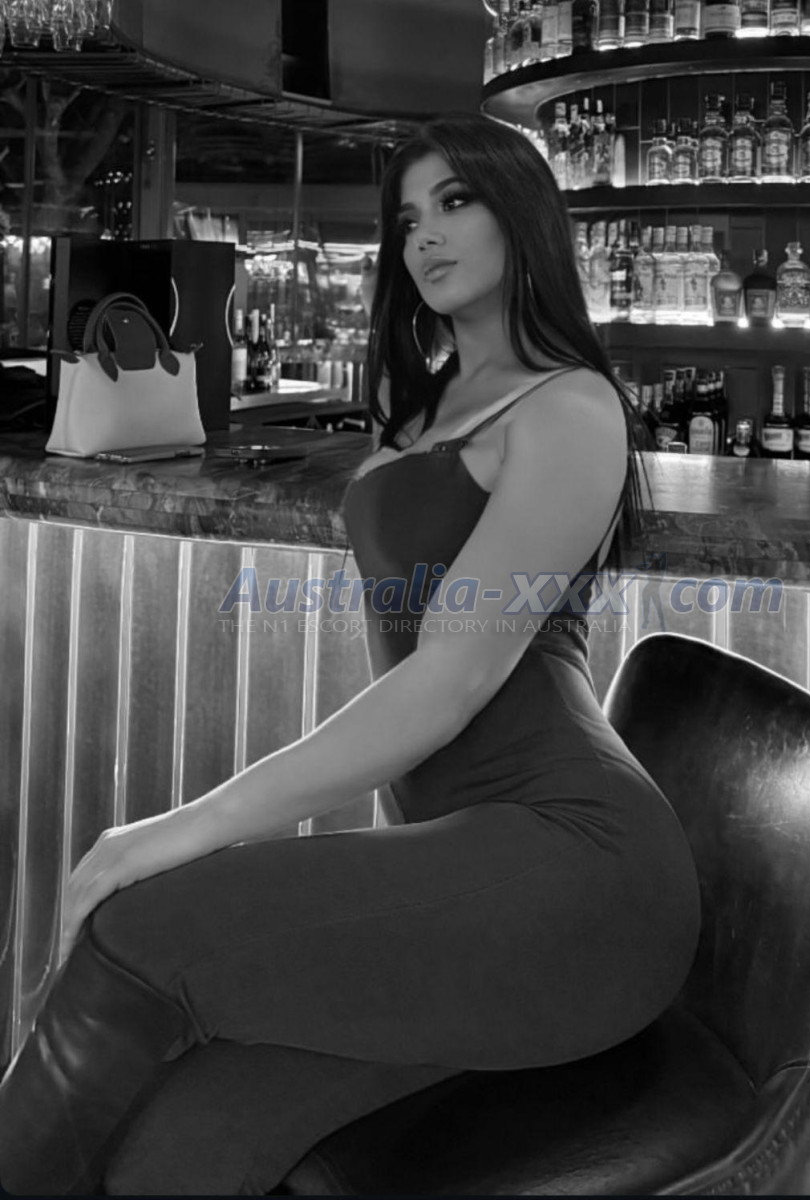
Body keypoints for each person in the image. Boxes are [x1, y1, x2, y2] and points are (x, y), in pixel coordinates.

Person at [0, 112, 701, 1196]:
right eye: (407, 218)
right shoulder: (423, 403)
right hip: (472, 862)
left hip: (582, 877)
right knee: (171, 1150)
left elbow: (449, 682)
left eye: (456, 201)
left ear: (523, 214)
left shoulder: (569, 406)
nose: (425, 235)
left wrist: (188, 827)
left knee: (137, 926)